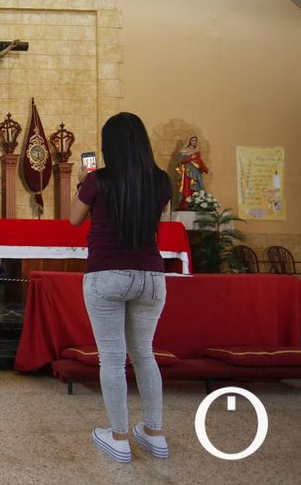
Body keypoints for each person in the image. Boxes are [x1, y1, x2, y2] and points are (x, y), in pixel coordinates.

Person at [70, 112, 172, 464]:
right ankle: (155, 433)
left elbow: (74, 218)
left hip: (107, 274)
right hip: (151, 277)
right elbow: (159, 217)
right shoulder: (160, 181)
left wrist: (81, 182)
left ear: (109, 144)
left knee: (112, 358)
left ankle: (119, 437)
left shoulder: (97, 180)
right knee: (144, 353)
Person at [176, 135, 209, 210]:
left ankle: (196, 203)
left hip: (196, 172)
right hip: (187, 172)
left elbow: (200, 162)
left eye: (195, 140)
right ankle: (186, 204)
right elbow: (180, 161)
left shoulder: (197, 151)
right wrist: (190, 158)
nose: (194, 142)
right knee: (187, 187)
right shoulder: (183, 151)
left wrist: (206, 170)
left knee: (197, 186)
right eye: (193, 140)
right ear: (189, 141)